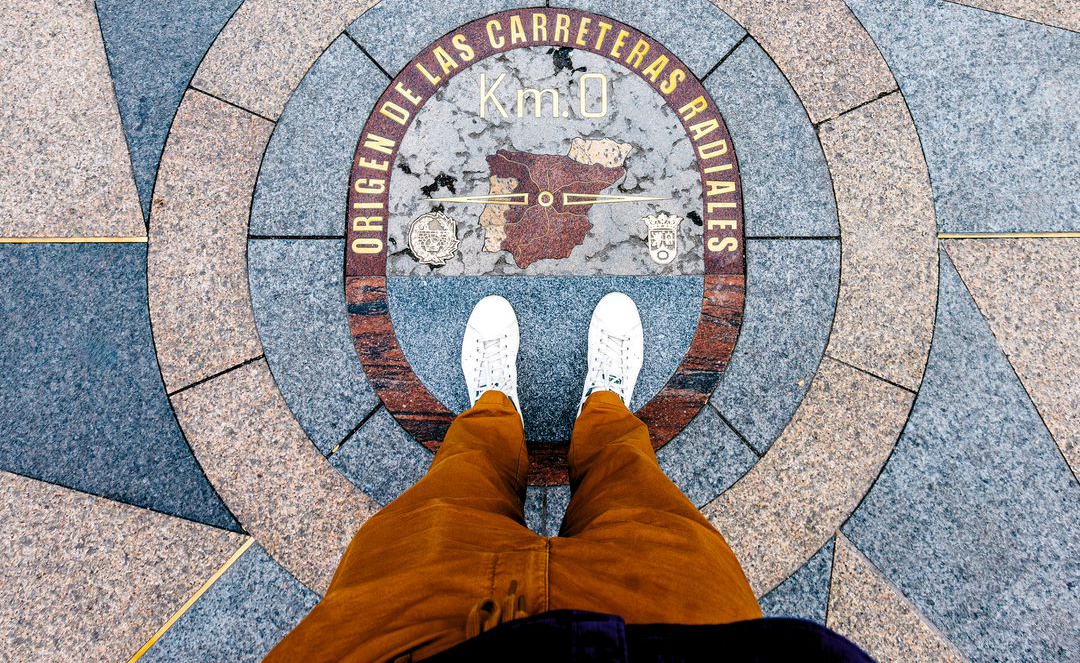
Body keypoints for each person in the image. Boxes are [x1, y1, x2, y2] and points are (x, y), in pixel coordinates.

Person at [267, 293, 872, 662]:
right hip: (678, 632)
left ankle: (497, 405)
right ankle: (603, 406)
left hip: (406, 636)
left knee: (462, 477)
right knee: (631, 477)